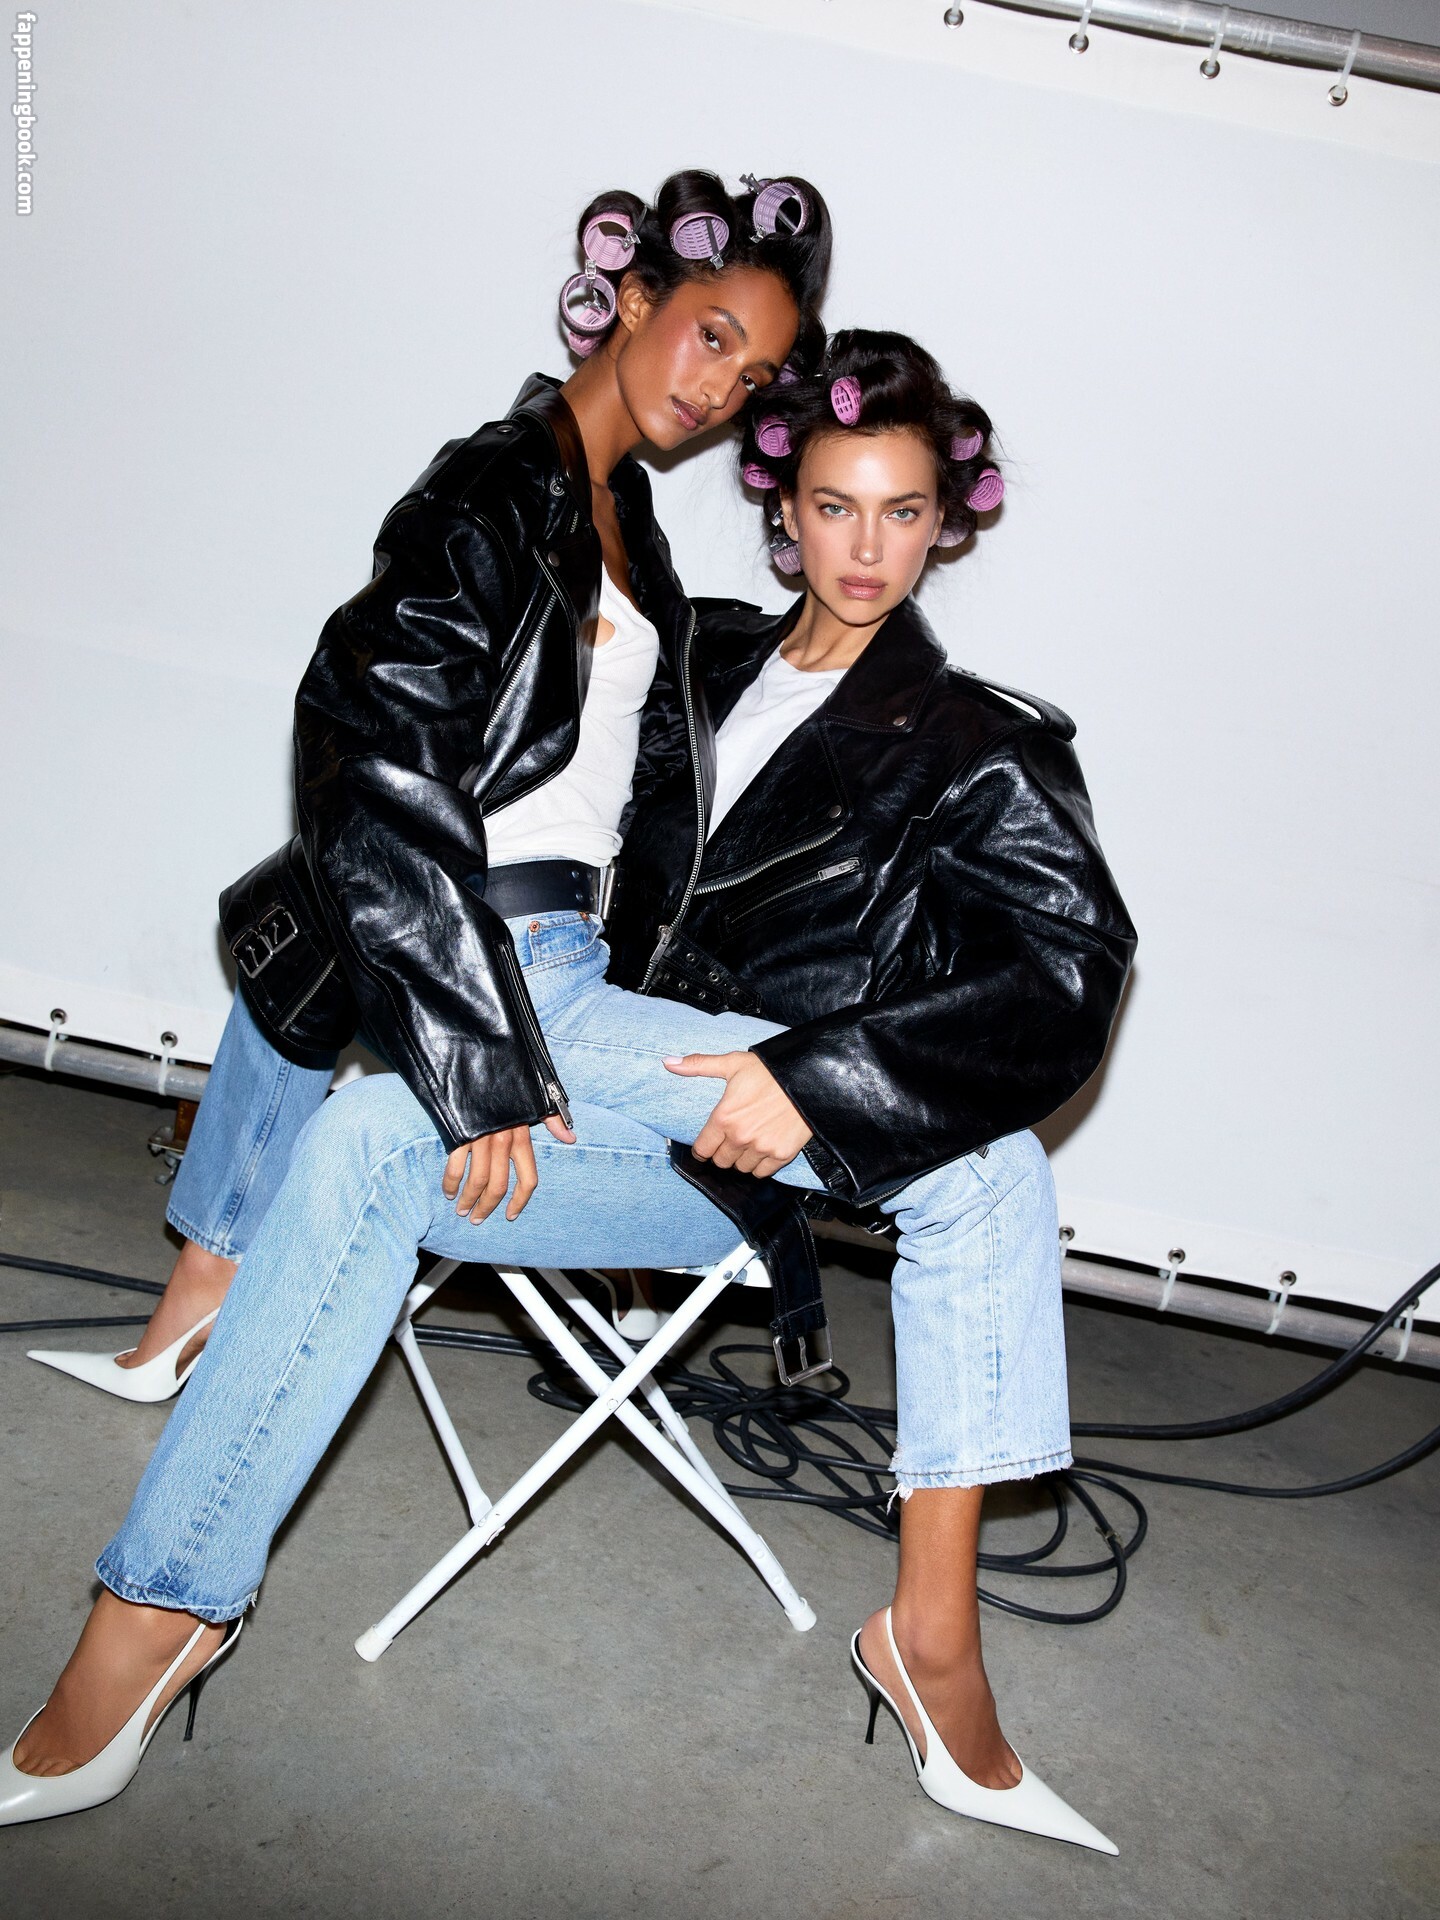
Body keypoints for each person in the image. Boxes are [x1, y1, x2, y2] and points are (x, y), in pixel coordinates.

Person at [6, 330, 1135, 1854]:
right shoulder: (690, 656)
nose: (867, 548)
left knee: (994, 1169)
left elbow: (1064, 973)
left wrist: (814, 1079)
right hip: (577, 1067)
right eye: (834, 506)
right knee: (368, 1134)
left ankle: (932, 1640)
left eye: (904, 512)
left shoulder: (980, 744)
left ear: (949, 523)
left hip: (737, 1153)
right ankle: (164, 1608)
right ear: (783, 509)